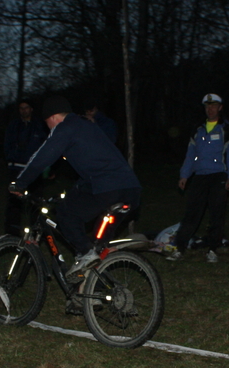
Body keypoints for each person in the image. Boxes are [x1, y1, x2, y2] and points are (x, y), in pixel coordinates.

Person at [9, 95, 140, 276]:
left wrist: (19, 183)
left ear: (52, 117)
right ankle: (94, 284)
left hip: (106, 188)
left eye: (47, 123)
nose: (48, 128)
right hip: (131, 189)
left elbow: (42, 157)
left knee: (66, 214)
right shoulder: (87, 125)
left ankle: (85, 254)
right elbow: (93, 160)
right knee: (98, 245)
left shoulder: (65, 128)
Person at [167, 93, 229, 263]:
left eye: (213, 106)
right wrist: (184, 175)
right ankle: (179, 248)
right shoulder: (198, 129)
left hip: (219, 175)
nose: (210, 109)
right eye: (207, 106)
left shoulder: (227, 129)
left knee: (216, 213)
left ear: (220, 108)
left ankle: (213, 249)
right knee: (192, 213)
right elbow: (191, 154)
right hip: (200, 176)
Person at [3, 99, 48, 235]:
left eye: (26, 107)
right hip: (16, 168)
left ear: (31, 109)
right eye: (21, 108)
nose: (24, 110)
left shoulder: (39, 125)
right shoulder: (14, 125)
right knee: (14, 201)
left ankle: (36, 231)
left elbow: (45, 144)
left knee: (35, 201)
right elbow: (7, 143)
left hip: (34, 169)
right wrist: (11, 157)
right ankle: (12, 232)